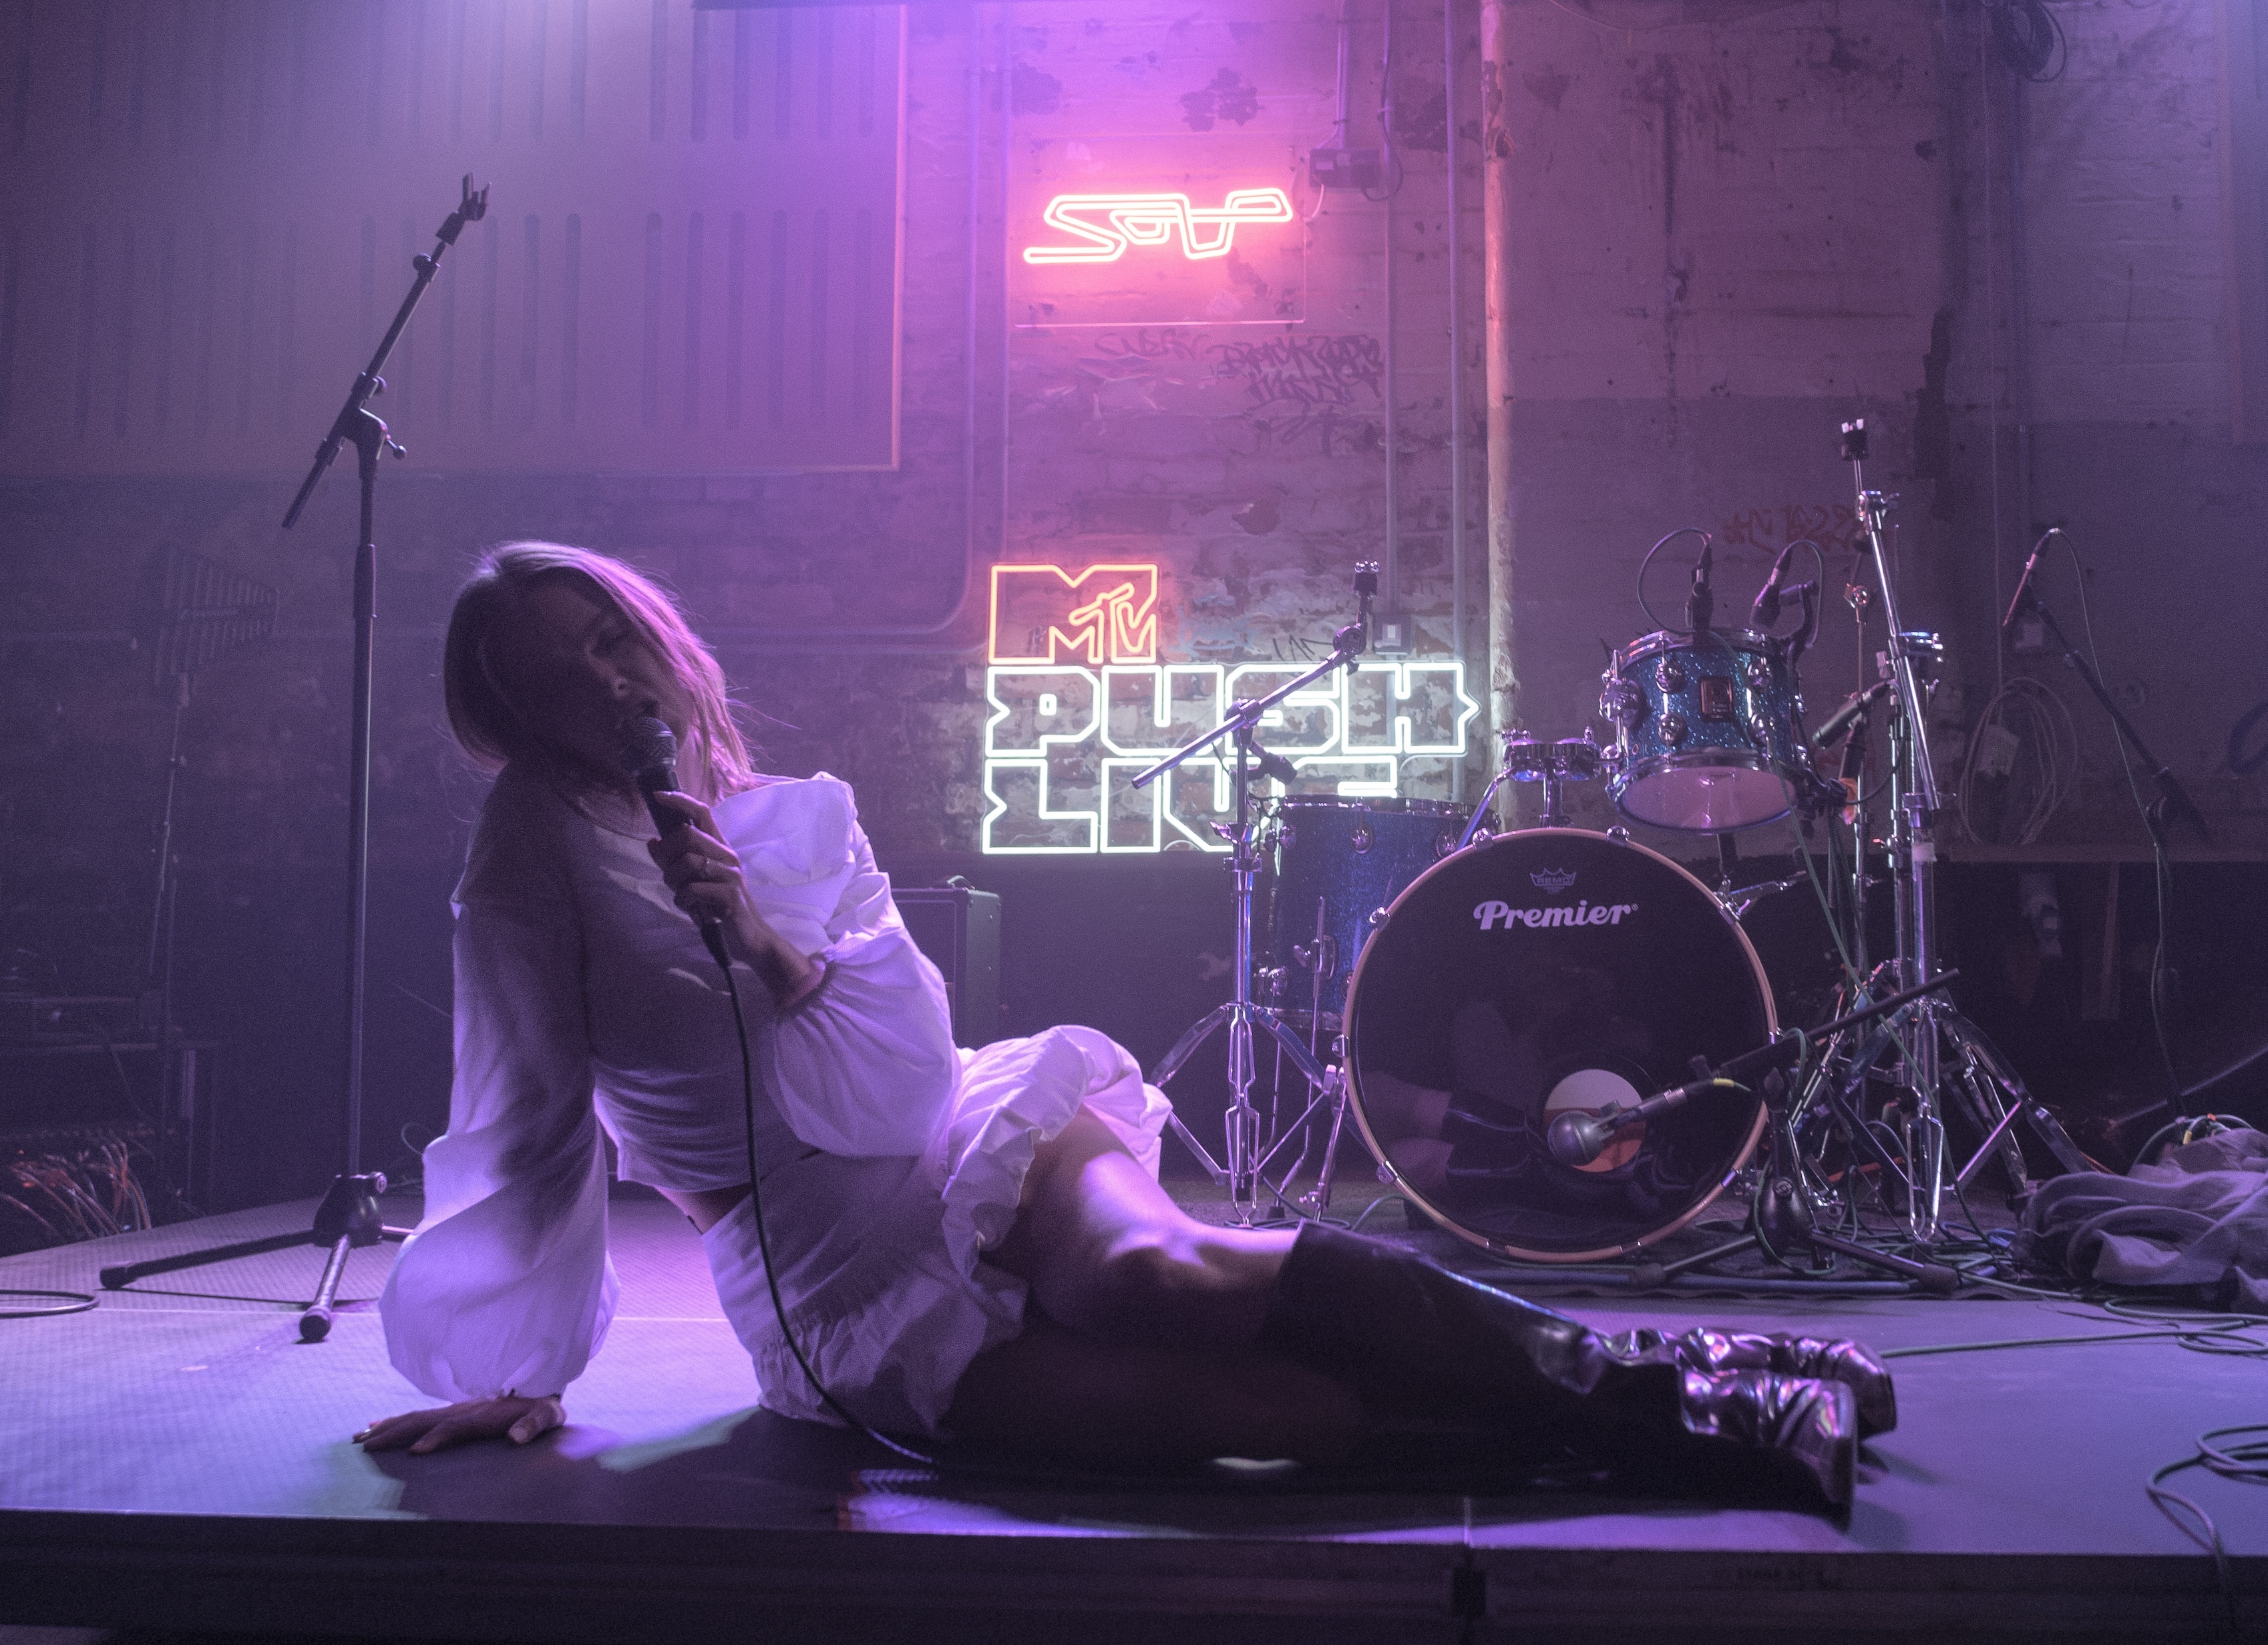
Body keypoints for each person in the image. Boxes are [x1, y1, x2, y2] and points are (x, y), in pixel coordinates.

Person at [355, 541, 1893, 1511]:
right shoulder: (532, 856)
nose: (606, 679)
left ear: (654, 637)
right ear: (516, 718)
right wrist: (522, 1360)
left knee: (1159, 1273)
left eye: (611, 636)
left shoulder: (797, 819)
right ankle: (1685, 1393)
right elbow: (524, 1116)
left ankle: (1692, 1394)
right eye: (558, 673)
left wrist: (762, 938)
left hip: (961, 1132)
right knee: (1276, 1420)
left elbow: (899, 1062)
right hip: (826, 1276)